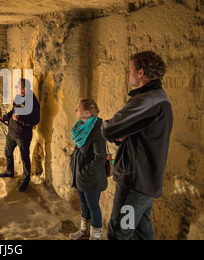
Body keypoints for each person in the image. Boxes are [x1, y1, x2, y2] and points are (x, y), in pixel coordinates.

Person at [101, 51, 173, 240]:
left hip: (134, 185)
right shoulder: (160, 97)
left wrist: (118, 134)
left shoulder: (147, 100)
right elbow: (136, 131)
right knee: (141, 233)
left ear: (141, 72)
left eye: (130, 70)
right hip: (146, 182)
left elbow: (109, 129)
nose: (128, 74)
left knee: (120, 233)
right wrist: (122, 136)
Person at [69, 99, 108, 240]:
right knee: (84, 204)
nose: (76, 110)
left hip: (91, 177)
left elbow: (100, 158)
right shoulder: (82, 126)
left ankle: (96, 236)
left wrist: (85, 172)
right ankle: (84, 230)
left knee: (93, 206)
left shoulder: (97, 130)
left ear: (86, 112)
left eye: (78, 108)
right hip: (80, 175)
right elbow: (79, 149)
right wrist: (73, 161)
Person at [0, 78, 40, 192]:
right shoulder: (18, 97)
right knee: (7, 153)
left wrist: (20, 119)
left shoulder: (32, 102)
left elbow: (35, 121)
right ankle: (9, 171)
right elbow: (13, 111)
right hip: (12, 132)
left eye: (17, 86)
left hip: (23, 136)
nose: (15, 88)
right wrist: (4, 118)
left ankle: (25, 180)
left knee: (25, 158)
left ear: (24, 89)